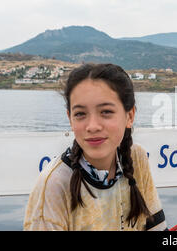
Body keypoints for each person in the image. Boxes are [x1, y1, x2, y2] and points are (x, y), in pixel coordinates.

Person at [23, 63, 167, 231]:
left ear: (130, 115)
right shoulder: (54, 185)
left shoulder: (137, 157)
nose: (92, 126)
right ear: (70, 119)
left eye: (106, 111)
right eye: (80, 114)